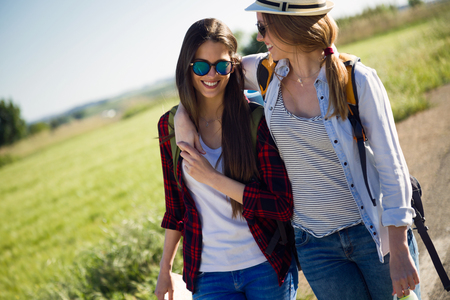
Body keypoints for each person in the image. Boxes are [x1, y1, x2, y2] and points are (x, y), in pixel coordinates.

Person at [172, 1, 421, 299]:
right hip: (315, 248)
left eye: (264, 28)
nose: (260, 38)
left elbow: (392, 166)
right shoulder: (265, 72)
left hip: (372, 236)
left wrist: (399, 246)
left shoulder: (356, 79)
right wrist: (182, 117)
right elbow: (208, 74)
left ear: (289, 26)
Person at [155, 18, 298, 300]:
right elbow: (175, 208)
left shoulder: (256, 120)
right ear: (187, 66)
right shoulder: (170, 127)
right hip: (209, 276)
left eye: (221, 65)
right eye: (200, 66)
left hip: (265, 265)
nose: (212, 74)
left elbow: (281, 206)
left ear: (233, 66)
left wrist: (213, 179)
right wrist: (164, 270)